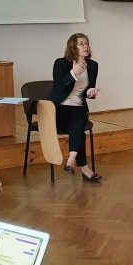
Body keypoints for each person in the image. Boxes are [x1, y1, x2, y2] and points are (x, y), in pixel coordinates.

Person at [50, 33, 102, 182]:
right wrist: (73, 73)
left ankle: (70, 161)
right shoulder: (60, 63)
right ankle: (83, 168)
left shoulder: (93, 65)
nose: (86, 46)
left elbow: (88, 90)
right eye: (81, 44)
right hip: (60, 108)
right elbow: (58, 88)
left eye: (87, 43)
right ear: (73, 47)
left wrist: (91, 93)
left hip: (78, 107)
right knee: (78, 130)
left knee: (78, 122)